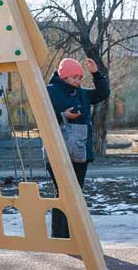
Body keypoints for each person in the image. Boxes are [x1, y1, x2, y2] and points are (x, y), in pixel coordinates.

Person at [45, 58, 110, 238]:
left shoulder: (82, 94)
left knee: (76, 193)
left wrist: (96, 74)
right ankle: (60, 236)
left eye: (80, 77)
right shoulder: (49, 91)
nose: (78, 81)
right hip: (57, 149)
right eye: (74, 77)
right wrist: (63, 116)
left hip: (81, 150)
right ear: (64, 75)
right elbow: (41, 117)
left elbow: (103, 93)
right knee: (63, 192)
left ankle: (73, 235)